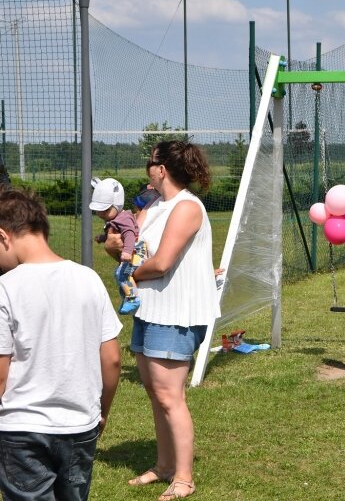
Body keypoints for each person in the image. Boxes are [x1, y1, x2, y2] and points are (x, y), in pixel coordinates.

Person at [0, 188, 122, 501]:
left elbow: (1, 373)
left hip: (20, 430)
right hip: (80, 425)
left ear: (3, 236)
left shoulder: (5, 288)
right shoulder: (89, 279)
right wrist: (101, 412)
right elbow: (111, 360)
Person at [123, 140, 220, 501]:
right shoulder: (155, 205)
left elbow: (161, 262)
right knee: (154, 392)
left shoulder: (186, 207)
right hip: (150, 309)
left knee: (170, 396)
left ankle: (184, 478)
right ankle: (163, 466)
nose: (147, 167)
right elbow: (127, 247)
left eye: (150, 162)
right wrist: (121, 251)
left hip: (176, 313)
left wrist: (130, 275)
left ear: (161, 169)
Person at [90, 177, 145, 315]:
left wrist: (127, 251)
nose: (101, 214)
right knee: (121, 275)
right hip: (131, 251)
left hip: (136, 252)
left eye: (106, 210)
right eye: (99, 211)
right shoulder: (115, 218)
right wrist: (103, 238)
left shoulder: (123, 218)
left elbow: (130, 234)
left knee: (121, 274)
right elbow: (115, 234)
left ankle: (133, 298)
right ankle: (128, 296)